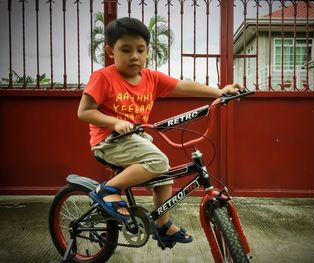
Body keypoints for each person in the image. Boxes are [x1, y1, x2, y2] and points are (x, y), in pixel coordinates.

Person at [77, 17, 242, 244]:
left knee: (164, 174)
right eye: (125, 50)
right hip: (109, 141)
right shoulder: (103, 77)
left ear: (147, 51)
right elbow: (84, 111)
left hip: (134, 137)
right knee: (158, 160)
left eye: (140, 50)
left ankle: (162, 224)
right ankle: (108, 190)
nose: (134, 56)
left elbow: (183, 86)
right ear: (110, 51)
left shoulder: (151, 78)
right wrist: (115, 122)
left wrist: (218, 92)